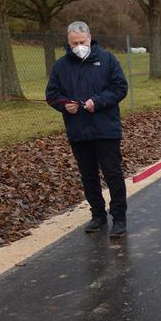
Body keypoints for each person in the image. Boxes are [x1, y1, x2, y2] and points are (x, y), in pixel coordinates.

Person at [46, 21, 129, 237]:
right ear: (68, 42)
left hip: (105, 129)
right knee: (88, 176)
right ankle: (98, 215)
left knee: (113, 173)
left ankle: (119, 217)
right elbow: (52, 95)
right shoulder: (61, 66)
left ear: (89, 38)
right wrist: (65, 105)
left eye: (82, 42)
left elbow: (120, 88)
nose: (78, 46)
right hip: (78, 131)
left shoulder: (108, 59)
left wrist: (98, 101)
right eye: (74, 43)